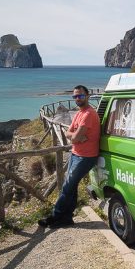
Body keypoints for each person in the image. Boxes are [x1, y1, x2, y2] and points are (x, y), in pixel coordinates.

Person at [38, 85, 100, 228]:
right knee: (71, 186)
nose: (78, 99)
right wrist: (76, 136)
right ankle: (66, 217)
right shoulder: (79, 113)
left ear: (88, 96)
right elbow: (69, 134)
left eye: (81, 96)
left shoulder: (89, 114)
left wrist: (76, 136)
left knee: (67, 186)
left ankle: (55, 216)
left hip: (86, 156)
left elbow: (73, 137)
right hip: (76, 153)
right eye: (75, 96)